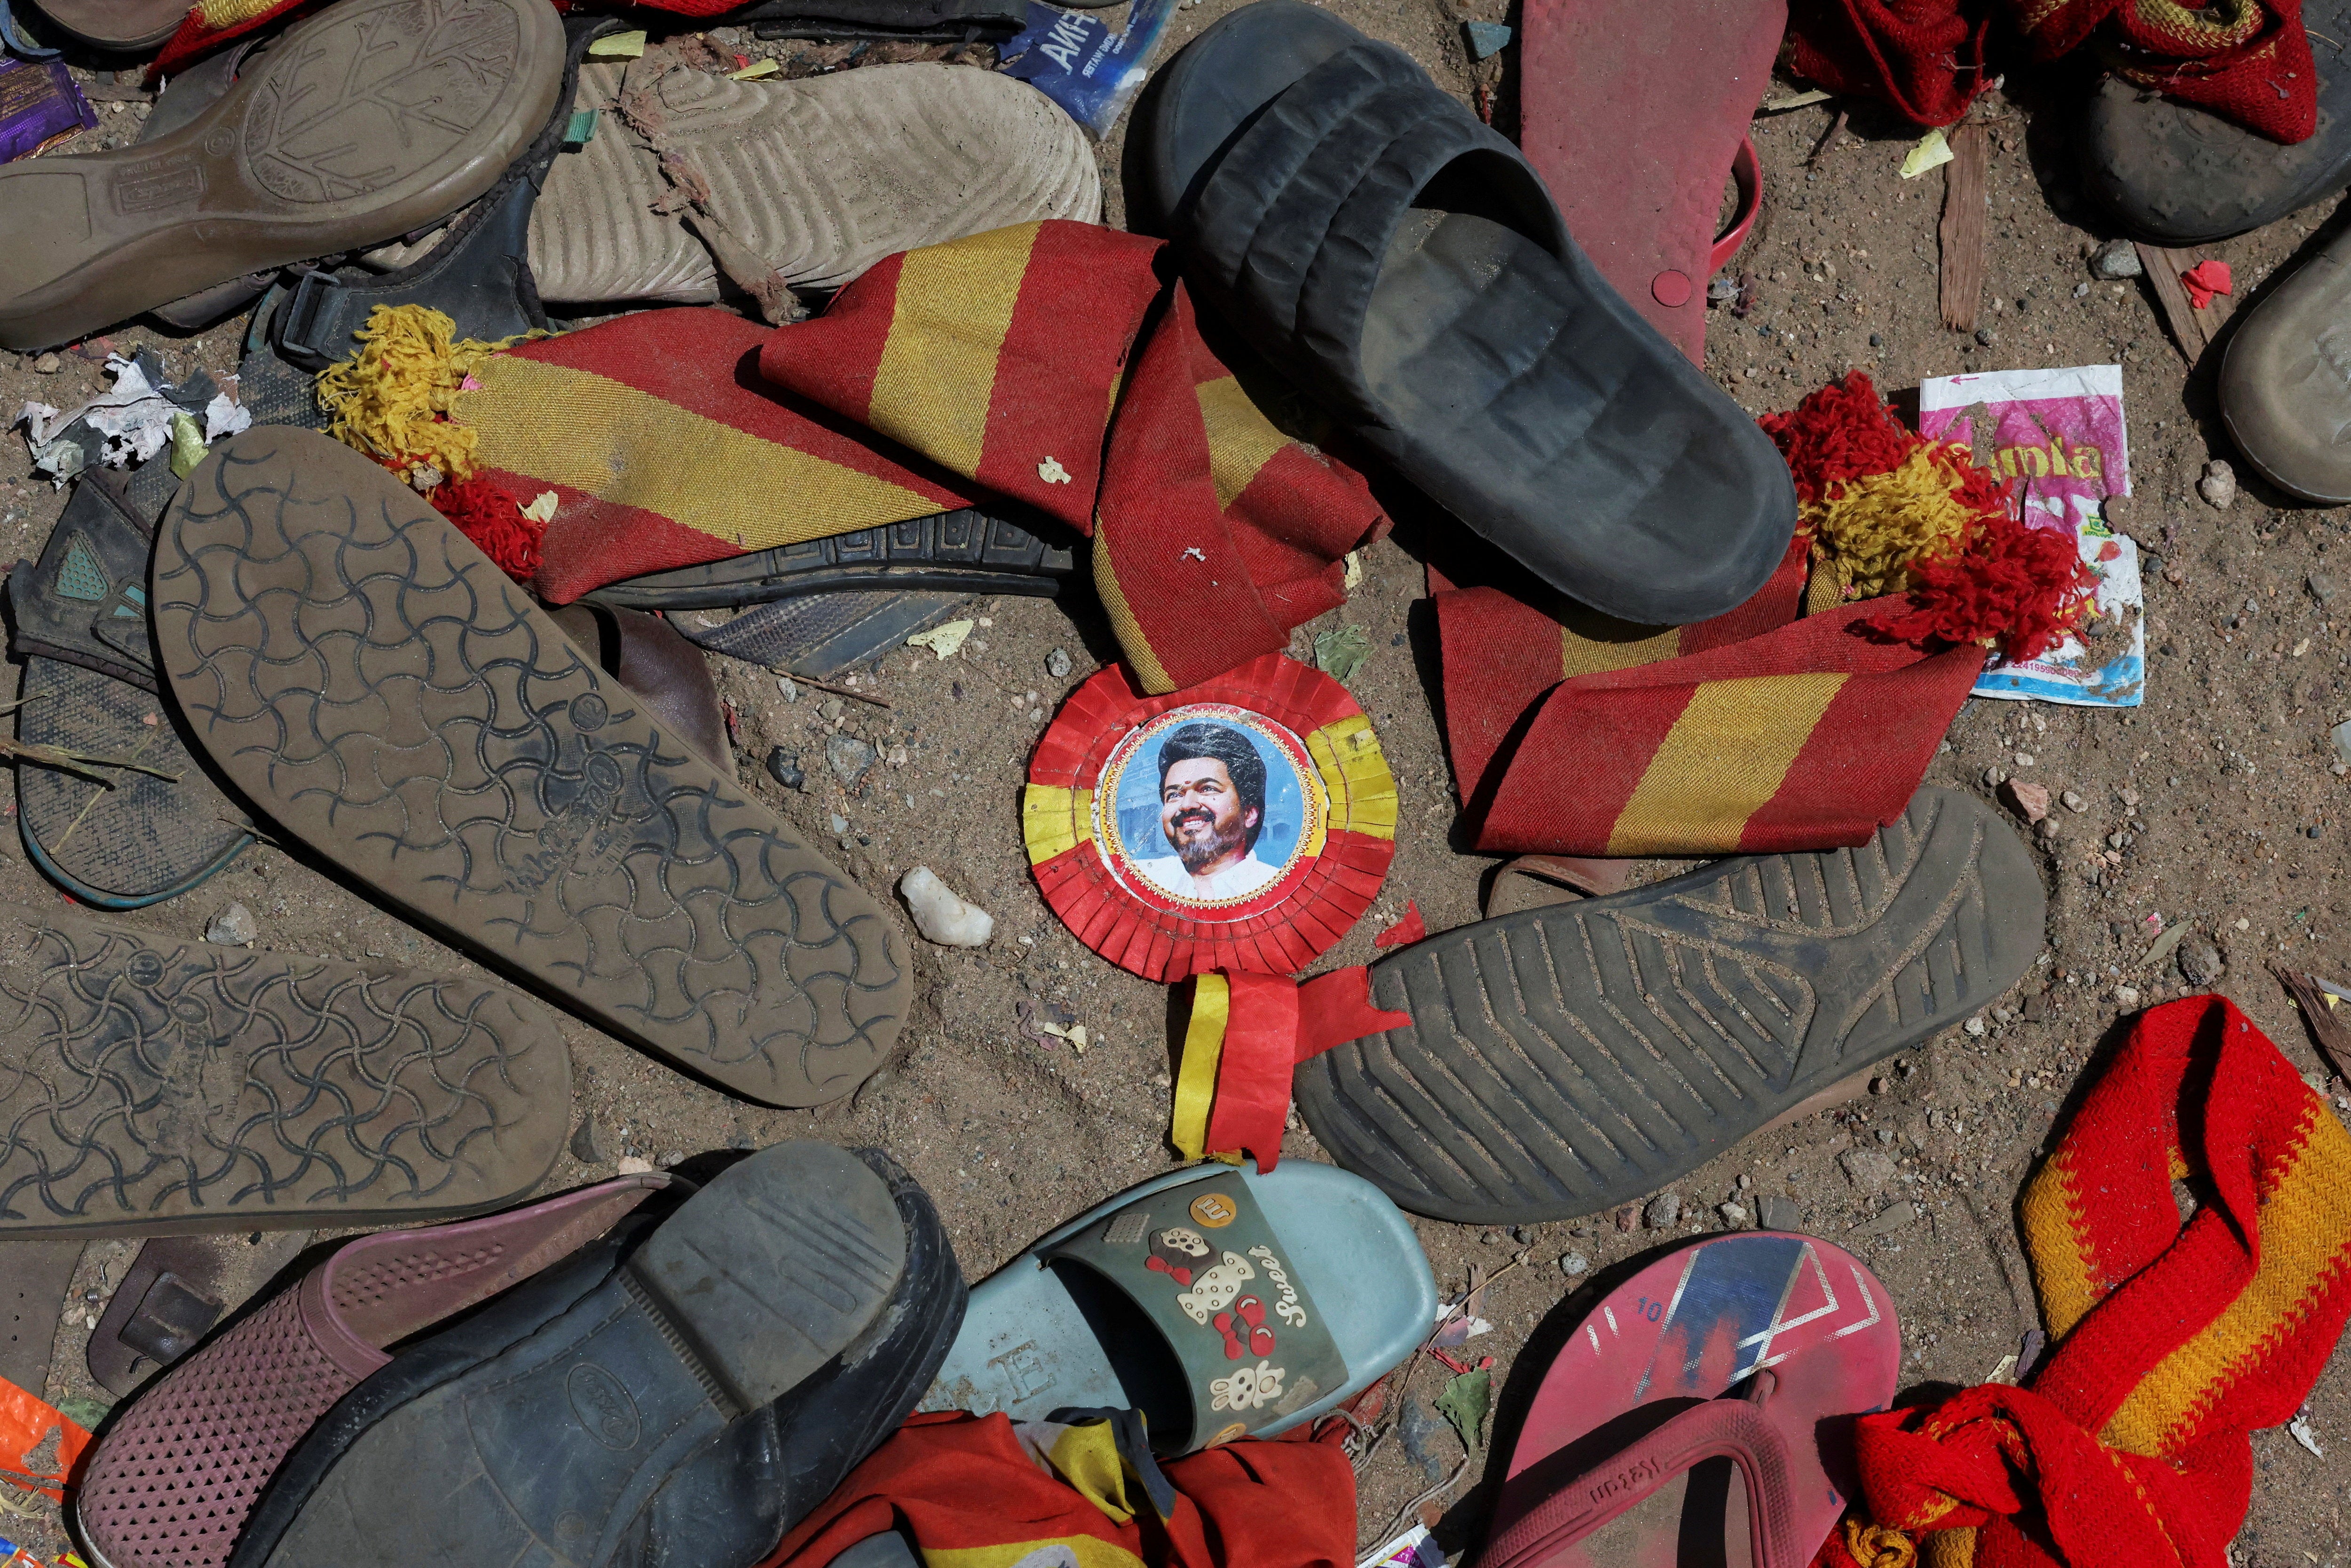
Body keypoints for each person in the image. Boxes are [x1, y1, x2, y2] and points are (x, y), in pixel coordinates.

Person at [1129, 721, 1283, 900]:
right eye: (1174, 795)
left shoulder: (1278, 887)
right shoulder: (1136, 879)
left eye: (1208, 789)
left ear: (1249, 814)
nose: (1187, 805)